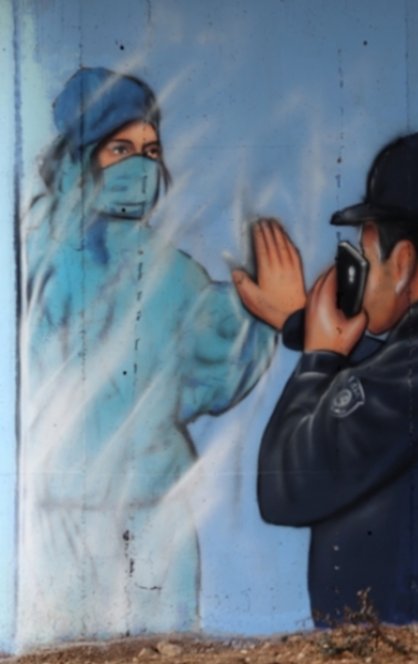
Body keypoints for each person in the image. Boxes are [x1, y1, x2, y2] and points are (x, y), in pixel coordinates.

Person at [19, 67, 301, 644]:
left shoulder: (166, 270)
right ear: (81, 156)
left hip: (151, 511)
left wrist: (261, 313)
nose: (141, 166)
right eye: (120, 147)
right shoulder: (36, 251)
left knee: (161, 649)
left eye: (151, 149)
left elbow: (210, 357)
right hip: (62, 510)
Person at [255, 129, 418, 627]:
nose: (360, 270)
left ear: (404, 262)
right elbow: (391, 393)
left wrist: (318, 358)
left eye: (365, 254)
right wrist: (301, 326)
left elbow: (283, 487)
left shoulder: (408, 381)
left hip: (386, 639)